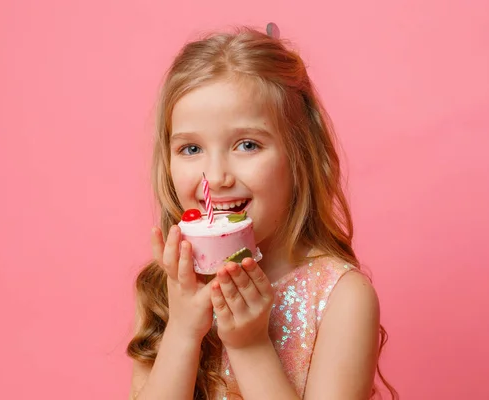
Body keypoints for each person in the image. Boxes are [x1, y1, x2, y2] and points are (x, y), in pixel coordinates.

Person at [126, 24, 398, 400]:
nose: (216, 176)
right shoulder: (165, 287)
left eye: (247, 144)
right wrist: (184, 330)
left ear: (299, 157)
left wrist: (249, 346)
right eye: (191, 149)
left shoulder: (342, 298)